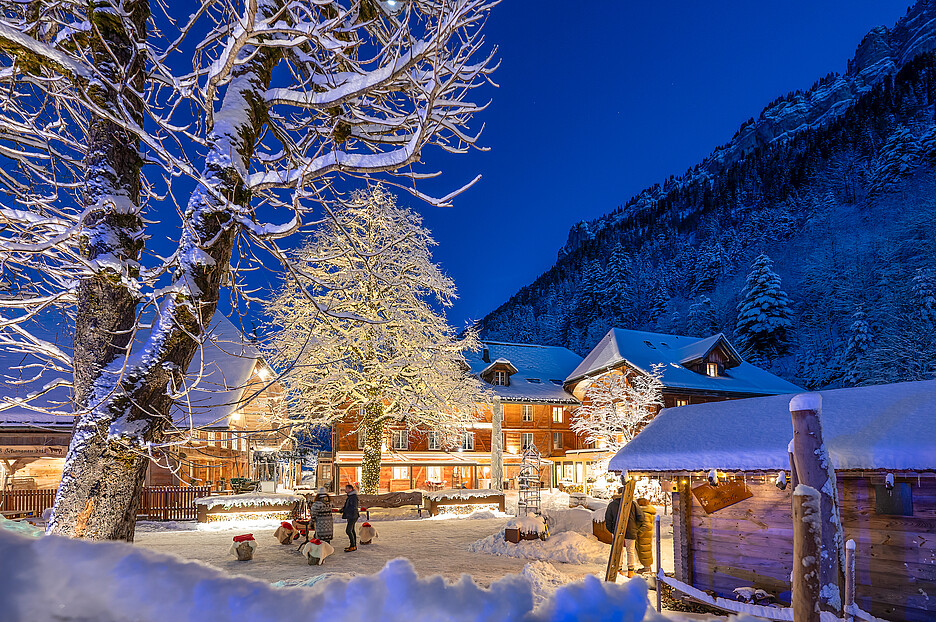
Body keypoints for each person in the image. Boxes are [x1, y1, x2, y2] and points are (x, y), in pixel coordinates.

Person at [604, 487, 645, 578]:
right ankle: (631, 571)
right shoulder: (633, 504)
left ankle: (619, 570)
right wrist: (635, 527)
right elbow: (641, 518)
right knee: (630, 550)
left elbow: (608, 519)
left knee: (618, 550)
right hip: (630, 530)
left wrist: (612, 530)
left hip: (617, 530)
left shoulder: (612, 504)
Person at [635, 497, 657, 573]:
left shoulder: (644, 513)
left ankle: (647, 568)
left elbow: (646, 525)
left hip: (644, 536)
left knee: (644, 551)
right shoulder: (646, 511)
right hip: (646, 535)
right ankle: (647, 567)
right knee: (645, 551)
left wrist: (639, 533)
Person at [340, 483, 360, 552]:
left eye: (346, 488)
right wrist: (342, 509)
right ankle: (353, 545)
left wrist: (345, 510)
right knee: (352, 530)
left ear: (350, 489)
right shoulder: (350, 496)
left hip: (353, 515)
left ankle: (352, 545)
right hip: (351, 515)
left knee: (348, 530)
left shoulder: (353, 497)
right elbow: (348, 506)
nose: (345, 490)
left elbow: (353, 507)